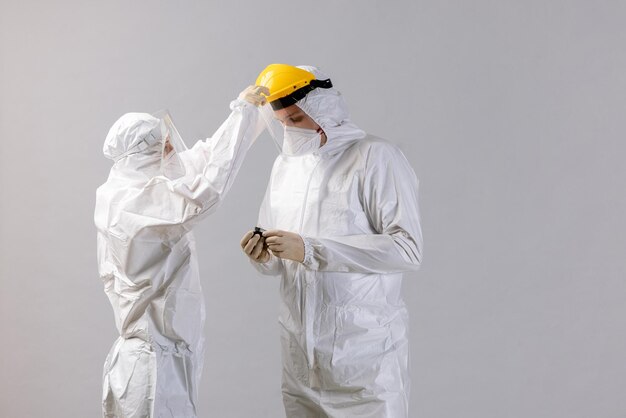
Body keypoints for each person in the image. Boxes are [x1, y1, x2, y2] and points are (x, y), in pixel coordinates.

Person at [240, 64, 423, 418]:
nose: (289, 130)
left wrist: (312, 250)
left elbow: (407, 249)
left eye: (295, 118)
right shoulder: (286, 168)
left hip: (365, 364)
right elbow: (282, 259)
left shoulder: (374, 157)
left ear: (323, 109)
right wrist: (263, 256)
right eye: (281, 123)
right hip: (302, 365)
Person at [95, 87, 267, 418]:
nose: (173, 152)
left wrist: (256, 114)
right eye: (165, 147)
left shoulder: (125, 188)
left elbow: (203, 158)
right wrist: (243, 111)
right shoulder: (134, 204)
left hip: (163, 356)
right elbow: (206, 190)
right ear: (144, 157)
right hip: (151, 368)